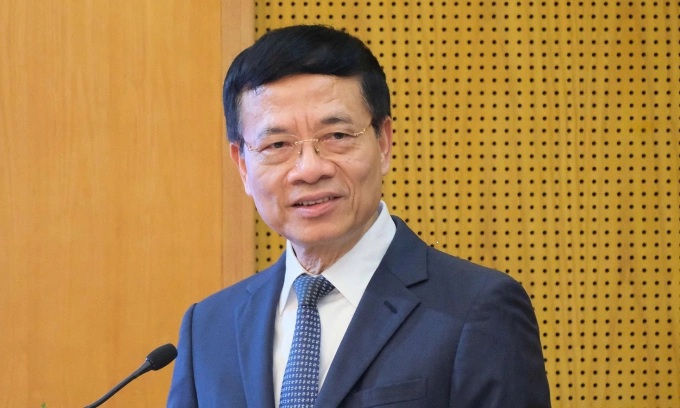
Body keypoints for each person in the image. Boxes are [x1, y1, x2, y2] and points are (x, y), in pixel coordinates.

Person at [167, 24, 551, 407]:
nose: (309, 169)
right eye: (278, 144)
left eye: (337, 136)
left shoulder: (476, 309)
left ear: (384, 142)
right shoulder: (208, 328)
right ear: (242, 165)